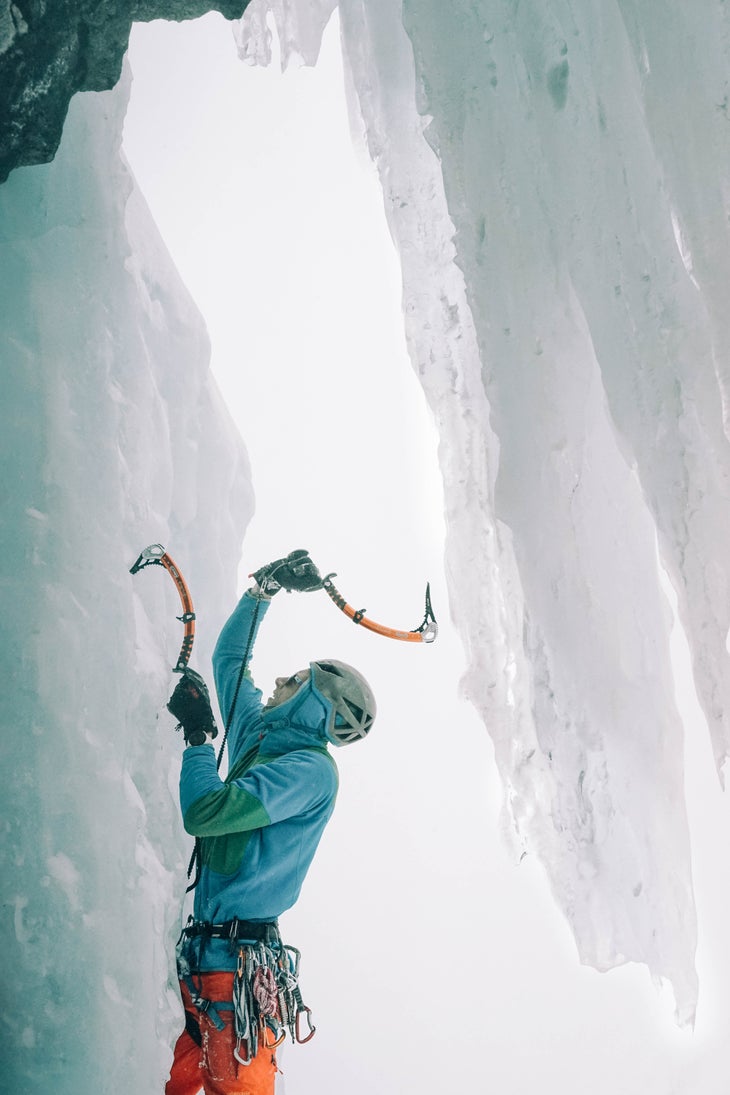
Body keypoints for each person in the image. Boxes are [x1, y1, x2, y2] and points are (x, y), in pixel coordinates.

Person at [164, 550, 376, 1095]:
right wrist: (265, 587)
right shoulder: (259, 735)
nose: (282, 678)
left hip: (235, 973)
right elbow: (230, 663)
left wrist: (197, 740)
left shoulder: (310, 772)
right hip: (205, 962)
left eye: (298, 680)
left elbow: (205, 813)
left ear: (315, 704)